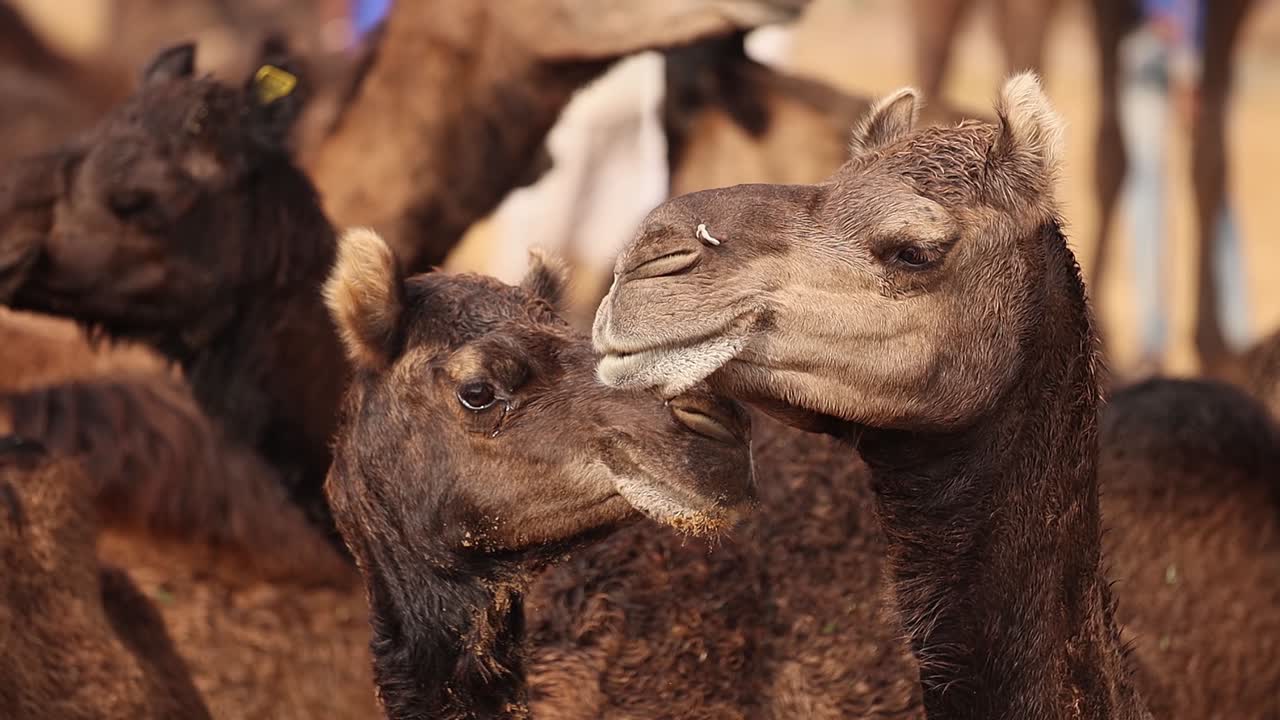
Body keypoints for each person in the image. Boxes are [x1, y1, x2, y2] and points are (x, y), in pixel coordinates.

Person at [1119, 0, 1250, 373]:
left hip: (1160, 43)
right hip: (1170, 46)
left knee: (1155, 191)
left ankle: (1155, 336)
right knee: (1203, 189)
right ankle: (1232, 328)